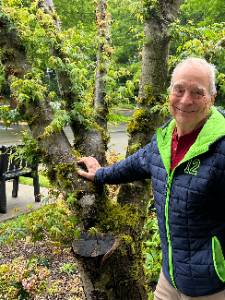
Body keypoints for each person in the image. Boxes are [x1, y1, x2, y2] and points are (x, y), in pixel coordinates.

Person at [78, 57, 225, 299]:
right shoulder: (164, 140)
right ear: (170, 92)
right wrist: (100, 174)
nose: (186, 100)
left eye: (197, 93)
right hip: (169, 277)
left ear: (212, 98)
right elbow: (133, 165)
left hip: (209, 285)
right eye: (179, 89)